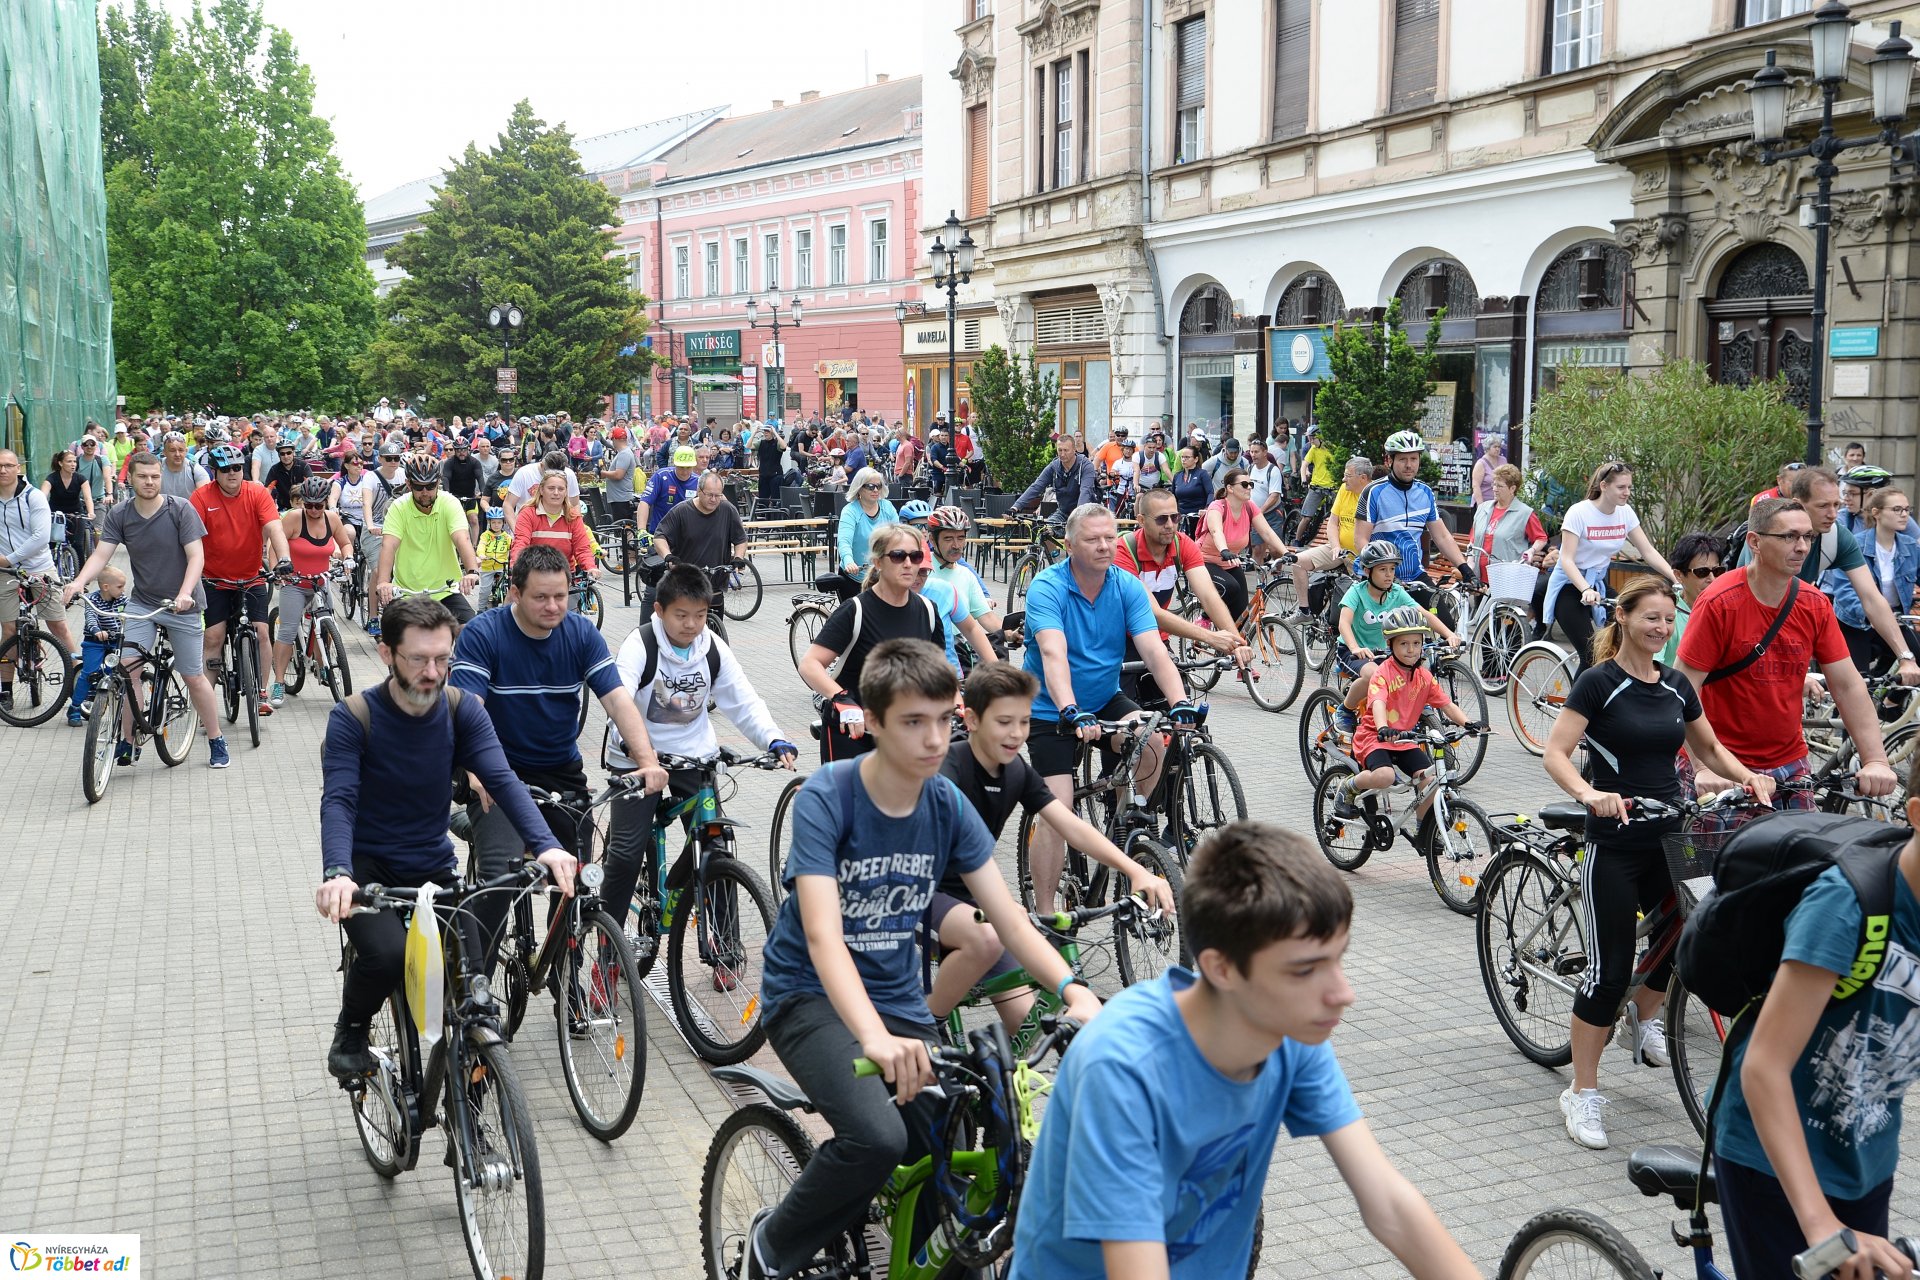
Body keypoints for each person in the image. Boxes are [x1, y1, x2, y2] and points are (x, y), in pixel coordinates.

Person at [742, 639, 1104, 1280]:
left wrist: (1073, 989)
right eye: (913, 722)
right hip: (808, 997)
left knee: (954, 1141)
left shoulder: (945, 804)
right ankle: (768, 1250)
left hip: (896, 1001)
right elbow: (824, 937)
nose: (935, 739)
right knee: (876, 1138)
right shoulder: (830, 797)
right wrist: (875, 1038)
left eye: (942, 719)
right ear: (873, 722)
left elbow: (1007, 917)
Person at [1009, 821, 1479, 1280]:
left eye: (1337, 960)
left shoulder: (1289, 1031)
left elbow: (1389, 1205)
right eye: (1305, 970)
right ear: (1222, 969)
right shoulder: (1122, 1068)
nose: (1343, 994)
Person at [1543, 576, 1775, 1150]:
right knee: (1608, 972)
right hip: (1616, 841)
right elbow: (1556, 752)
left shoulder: (1674, 685)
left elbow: (1708, 747)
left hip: (1673, 835)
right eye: (1651, 617)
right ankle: (1582, 1091)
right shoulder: (1598, 683)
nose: (1662, 628)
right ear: (1623, 618)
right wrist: (1589, 794)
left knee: (1694, 936)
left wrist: (1749, 777)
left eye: (1669, 620)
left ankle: (1644, 1016)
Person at [314, 594, 576, 1080]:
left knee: (475, 992)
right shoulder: (354, 717)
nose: (433, 673)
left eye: (442, 659)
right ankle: (351, 1028)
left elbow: (503, 781)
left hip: (434, 868)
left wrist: (547, 846)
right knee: (388, 957)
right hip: (366, 869)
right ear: (386, 652)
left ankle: (475, 1100)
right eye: (418, 659)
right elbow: (340, 801)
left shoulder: (461, 710)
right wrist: (337, 873)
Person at [1709, 763, 1920, 1280]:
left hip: (1865, 1160)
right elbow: (1764, 1066)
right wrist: (1820, 1223)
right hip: (1773, 1161)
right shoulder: (1847, 903)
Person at [449, 545, 667, 965]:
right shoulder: (484, 634)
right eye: (540, 597)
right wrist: (474, 768)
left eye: (560, 596)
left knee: (579, 881)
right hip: (497, 771)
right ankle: (474, 984)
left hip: (561, 772)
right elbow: (468, 709)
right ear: (515, 593)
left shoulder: (580, 633)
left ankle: (565, 975)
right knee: (500, 880)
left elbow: (617, 700)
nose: (553, 606)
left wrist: (647, 761)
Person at [931, 661, 1176, 1034]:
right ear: (972, 720)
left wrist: (1135, 870)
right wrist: (1002, 905)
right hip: (924, 897)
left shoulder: (1015, 771)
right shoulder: (948, 772)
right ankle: (925, 1023)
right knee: (988, 941)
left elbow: (1071, 826)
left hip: (976, 899)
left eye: (1024, 722)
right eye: (1004, 722)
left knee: (1029, 1029)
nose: (1016, 734)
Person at [600, 562, 797, 929]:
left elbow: (743, 700)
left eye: (700, 615)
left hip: (693, 755)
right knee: (626, 854)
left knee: (715, 844)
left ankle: (726, 944)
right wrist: (631, 746)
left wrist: (773, 737)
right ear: (659, 610)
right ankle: (609, 944)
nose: (691, 624)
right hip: (638, 756)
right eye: (681, 615)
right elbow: (618, 700)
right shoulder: (640, 644)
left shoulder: (712, 648)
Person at [1024, 505, 1196, 915]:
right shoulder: (1047, 587)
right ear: (1069, 546)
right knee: (1057, 812)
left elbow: (1153, 651)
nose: (1104, 546)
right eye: (1092, 539)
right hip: (1050, 709)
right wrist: (1069, 708)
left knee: (1152, 741)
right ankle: (1046, 917)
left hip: (1104, 699)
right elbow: (1053, 653)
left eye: (1109, 538)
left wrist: (1180, 703)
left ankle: (1124, 829)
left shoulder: (1126, 585)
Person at [1676, 498, 1898, 808]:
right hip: (1725, 765)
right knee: (1726, 842)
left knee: (1802, 839)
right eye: (1789, 537)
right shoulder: (1719, 602)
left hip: (1790, 763)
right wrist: (1702, 766)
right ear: (1755, 542)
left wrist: (1875, 760)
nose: (1802, 547)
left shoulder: (1814, 604)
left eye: (1808, 537)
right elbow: (1684, 689)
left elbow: (1848, 686)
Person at [61, 452, 228, 767]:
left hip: (183, 606)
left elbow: (196, 557)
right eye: (143, 476)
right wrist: (78, 582)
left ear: (160, 477)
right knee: (128, 669)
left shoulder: (180, 509)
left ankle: (217, 739)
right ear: (131, 479)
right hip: (144, 603)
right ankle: (128, 740)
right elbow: (102, 554)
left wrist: (184, 594)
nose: (149, 482)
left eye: (154, 476)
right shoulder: (121, 514)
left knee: (193, 676)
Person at [1753, 466, 1920, 686]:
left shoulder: (1838, 536)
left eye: (1836, 505)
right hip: (1758, 622)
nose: (1833, 514)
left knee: (1854, 686)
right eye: (1823, 506)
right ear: (1797, 504)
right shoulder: (1770, 536)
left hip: (1796, 614)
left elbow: (1871, 597)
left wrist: (1905, 657)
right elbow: (1756, 606)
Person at [799, 524, 947, 765]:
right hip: (854, 732)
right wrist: (841, 699)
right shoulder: (855, 610)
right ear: (878, 562)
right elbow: (810, 664)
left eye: (915, 556)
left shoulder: (928, 610)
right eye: (898, 556)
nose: (908, 564)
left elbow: (939, 673)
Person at [1329, 607, 1479, 821]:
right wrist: (1383, 728)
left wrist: (1468, 723)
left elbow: (1447, 705)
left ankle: (1423, 830)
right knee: (1385, 776)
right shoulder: (1383, 673)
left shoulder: (1424, 677)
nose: (1411, 650)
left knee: (1430, 780)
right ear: (1390, 644)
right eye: (1403, 644)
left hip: (1404, 740)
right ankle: (1348, 786)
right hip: (1375, 738)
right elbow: (1378, 702)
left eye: (1416, 643)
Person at [1540, 460, 1677, 671]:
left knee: (1623, 643)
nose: (1627, 492)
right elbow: (1566, 559)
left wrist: (1675, 578)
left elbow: (1647, 551)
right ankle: (1579, 694)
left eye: (1629, 487)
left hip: (1598, 585)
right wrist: (1585, 589)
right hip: (1570, 586)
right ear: (1604, 486)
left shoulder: (1625, 513)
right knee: (1591, 654)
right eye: (1621, 487)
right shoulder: (1579, 513)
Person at [191, 444, 293, 720]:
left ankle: (261, 692)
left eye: (237, 468)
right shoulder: (201, 497)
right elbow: (190, 537)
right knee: (213, 637)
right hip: (214, 579)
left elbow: (274, 527)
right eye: (225, 469)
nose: (232, 473)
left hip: (251, 576)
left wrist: (284, 558)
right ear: (215, 472)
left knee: (261, 632)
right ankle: (206, 708)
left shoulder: (257, 493)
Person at [1114, 488, 1246, 675]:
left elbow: (1209, 596)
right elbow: (1152, 613)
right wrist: (1210, 637)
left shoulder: (1183, 543)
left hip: (1155, 637)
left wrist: (1236, 643)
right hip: (1118, 639)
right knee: (1121, 692)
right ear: (1141, 521)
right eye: (1161, 519)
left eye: (1175, 517)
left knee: (1178, 691)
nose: (1170, 525)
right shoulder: (1122, 551)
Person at [1333, 541, 1460, 734]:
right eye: (1382, 569)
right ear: (1367, 571)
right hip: (1352, 650)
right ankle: (1345, 710)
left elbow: (1424, 614)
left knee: (1412, 672)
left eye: (1392, 569)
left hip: (1384, 651)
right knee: (1373, 675)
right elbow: (1344, 623)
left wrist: (1449, 634)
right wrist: (1355, 648)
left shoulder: (1396, 592)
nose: (1389, 574)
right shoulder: (1356, 592)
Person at [1352, 430, 1468, 605]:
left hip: (1414, 576)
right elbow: (1360, 539)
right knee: (1387, 622)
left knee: (1442, 619)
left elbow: (1443, 537)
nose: (1409, 465)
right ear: (1390, 461)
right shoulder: (1374, 492)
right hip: (1378, 577)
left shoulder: (1425, 492)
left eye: (1414, 459)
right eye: (1402, 459)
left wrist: (1464, 568)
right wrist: (1383, 572)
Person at [268, 477, 355, 705]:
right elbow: (275, 545)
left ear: (326, 502)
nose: (314, 510)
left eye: (319, 505)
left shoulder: (332, 519)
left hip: (320, 581)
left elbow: (345, 543)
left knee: (326, 624)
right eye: (309, 505)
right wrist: (277, 569)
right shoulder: (294, 519)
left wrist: (348, 557)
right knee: (287, 631)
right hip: (295, 582)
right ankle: (278, 683)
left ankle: (322, 664)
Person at [373, 455, 483, 626]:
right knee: (393, 633)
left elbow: (462, 538)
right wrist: (383, 583)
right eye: (418, 486)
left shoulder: (450, 503)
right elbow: (389, 545)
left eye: (430, 486)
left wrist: (472, 572)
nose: (425, 492)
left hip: (446, 590)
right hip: (406, 592)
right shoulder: (398, 507)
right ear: (409, 484)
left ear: (438, 482)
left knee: (473, 630)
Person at [1825, 486, 1920, 676]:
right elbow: (1844, 591)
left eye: (1906, 509)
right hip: (1856, 621)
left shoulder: (1910, 546)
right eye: (1897, 509)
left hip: (1894, 618)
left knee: (1914, 663)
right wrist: (1870, 615)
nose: (1904, 515)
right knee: (1857, 680)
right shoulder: (1854, 545)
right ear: (1876, 513)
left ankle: (1889, 694)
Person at [1197, 466, 1290, 622]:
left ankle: (1233, 636)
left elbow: (1267, 532)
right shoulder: (1217, 507)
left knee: (1242, 614)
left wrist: (1285, 552)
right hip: (1205, 560)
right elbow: (1216, 531)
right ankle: (1205, 618)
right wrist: (1224, 550)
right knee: (1230, 587)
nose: (1249, 488)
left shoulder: (1249, 507)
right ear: (1230, 488)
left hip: (1230, 561)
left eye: (1251, 484)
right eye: (1244, 485)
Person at [1288, 455, 1371, 619]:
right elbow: (1333, 523)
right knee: (1298, 562)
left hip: (1361, 557)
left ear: (1363, 478)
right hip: (1338, 550)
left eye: (1347, 475)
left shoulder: (1373, 495)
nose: (1343, 479)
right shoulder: (1344, 489)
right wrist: (1336, 547)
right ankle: (1304, 612)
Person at [652, 470, 747, 603]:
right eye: (709, 495)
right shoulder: (681, 511)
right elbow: (659, 536)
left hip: (715, 586)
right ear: (699, 491)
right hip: (686, 585)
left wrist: (738, 557)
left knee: (715, 614)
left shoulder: (728, 510)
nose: (713, 499)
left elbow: (740, 539)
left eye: (718, 495)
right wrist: (668, 556)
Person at [66, 564, 127, 726]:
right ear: (106, 587)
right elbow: (91, 616)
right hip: (95, 642)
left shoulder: (122, 599)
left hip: (115, 641)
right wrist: (96, 631)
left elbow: (131, 612)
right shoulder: (92, 600)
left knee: (120, 673)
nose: (123, 590)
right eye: (120, 586)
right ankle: (75, 707)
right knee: (89, 673)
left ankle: (123, 709)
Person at [1468, 462, 1547, 583]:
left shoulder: (1524, 513)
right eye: (1494, 484)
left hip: (1507, 580)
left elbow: (1541, 538)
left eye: (1499, 486)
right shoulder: (1482, 509)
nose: (1494, 489)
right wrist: (1470, 562)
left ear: (1512, 489)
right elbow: (1472, 541)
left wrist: (1531, 551)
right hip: (1478, 578)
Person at [510, 470, 596, 577]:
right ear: (541, 490)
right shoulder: (528, 513)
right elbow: (521, 543)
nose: (556, 493)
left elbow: (582, 548)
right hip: (534, 575)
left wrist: (590, 567)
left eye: (561, 489)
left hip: (564, 576)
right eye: (551, 488)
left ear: (566, 492)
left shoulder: (573, 516)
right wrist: (516, 565)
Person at [1661, 531, 1727, 666]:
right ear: (1679, 575)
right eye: (1702, 572)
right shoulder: (1665, 614)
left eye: (1717, 571)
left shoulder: (1730, 612)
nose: (1712, 579)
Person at [834, 467, 898, 601]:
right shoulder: (850, 511)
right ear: (859, 488)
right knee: (855, 613)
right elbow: (844, 541)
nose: (875, 490)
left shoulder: (887, 507)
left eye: (878, 486)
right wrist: (848, 561)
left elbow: (898, 536)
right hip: (854, 577)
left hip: (881, 575)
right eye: (870, 486)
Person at [1014, 435, 1099, 518]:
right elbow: (1036, 486)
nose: (1062, 454)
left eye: (1066, 450)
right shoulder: (1054, 466)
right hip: (1063, 512)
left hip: (1086, 513)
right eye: (1060, 450)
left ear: (1074, 450)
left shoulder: (1086, 466)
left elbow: (1085, 491)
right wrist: (1015, 507)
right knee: (1048, 527)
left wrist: (1077, 517)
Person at [41, 449, 94, 567]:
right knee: (51, 544)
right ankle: (50, 569)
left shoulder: (80, 478)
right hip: (55, 514)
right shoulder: (52, 478)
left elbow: (87, 497)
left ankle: (82, 572)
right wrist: (41, 511)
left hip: (76, 513)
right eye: (69, 461)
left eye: (74, 461)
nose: (73, 464)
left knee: (77, 544)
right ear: (60, 463)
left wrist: (91, 512)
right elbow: (42, 496)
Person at [637, 446, 700, 535]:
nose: (685, 472)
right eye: (681, 467)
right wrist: (642, 530)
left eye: (688, 467)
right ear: (674, 463)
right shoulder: (660, 476)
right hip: (660, 533)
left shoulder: (699, 481)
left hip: (686, 534)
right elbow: (645, 502)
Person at [1295, 426, 1340, 545]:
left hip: (1332, 487)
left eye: (1312, 438)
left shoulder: (1332, 449)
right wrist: (1304, 479)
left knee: (1336, 517)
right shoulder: (1313, 449)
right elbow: (1304, 465)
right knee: (1307, 517)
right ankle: (1297, 540)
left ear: (1320, 437)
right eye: (1309, 438)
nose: (1310, 441)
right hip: (1316, 486)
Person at [442, 437, 485, 541]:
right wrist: (447, 493)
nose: (461, 452)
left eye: (464, 450)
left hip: (470, 496)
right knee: (455, 521)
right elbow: (446, 478)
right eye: (458, 450)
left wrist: (483, 491)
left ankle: (474, 546)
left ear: (468, 449)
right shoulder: (449, 463)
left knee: (474, 520)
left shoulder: (474, 462)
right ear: (454, 450)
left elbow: (480, 477)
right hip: (454, 497)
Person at [601, 426, 639, 524]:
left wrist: (603, 473)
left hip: (621, 498)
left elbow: (618, 475)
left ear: (615, 439)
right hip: (619, 497)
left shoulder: (624, 454)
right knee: (622, 527)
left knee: (623, 527)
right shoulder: (623, 453)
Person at [476, 508, 512, 606]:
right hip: (487, 567)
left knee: (509, 585)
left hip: (502, 566)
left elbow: (513, 547)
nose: (496, 525)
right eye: (494, 522)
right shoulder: (485, 536)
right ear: (489, 523)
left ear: (503, 523)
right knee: (485, 591)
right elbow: (481, 545)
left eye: (499, 522)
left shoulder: (507, 537)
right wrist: (481, 554)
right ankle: (481, 608)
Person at [264, 441, 312, 511]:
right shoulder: (274, 469)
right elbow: (267, 490)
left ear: (293, 453)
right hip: (283, 507)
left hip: (302, 505)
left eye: (289, 453)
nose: (286, 456)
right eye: (282, 454)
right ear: (279, 455)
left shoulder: (303, 466)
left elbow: (311, 486)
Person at [1170, 446, 1211, 529]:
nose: (1183, 459)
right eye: (1182, 457)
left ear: (1196, 459)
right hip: (1181, 517)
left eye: (1187, 457)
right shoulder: (1177, 476)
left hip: (1198, 515)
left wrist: (1207, 508)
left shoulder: (1202, 474)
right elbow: (1173, 496)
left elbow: (1210, 492)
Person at [158, 433, 207, 501]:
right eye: (172, 450)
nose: (177, 454)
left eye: (181, 450)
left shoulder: (195, 469)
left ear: (186, 451)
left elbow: (203, 496)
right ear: (164, 452)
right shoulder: (156, 468)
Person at [1470, 436, 1506, 506]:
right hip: (1484, 502)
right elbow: (1476, 486)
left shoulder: (1503, 460)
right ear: (1487, 448)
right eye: (1495, 447)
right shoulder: (1481, 463)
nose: (1497, 449)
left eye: (1499, 447)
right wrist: (1480, 505)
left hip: (1499, 502)